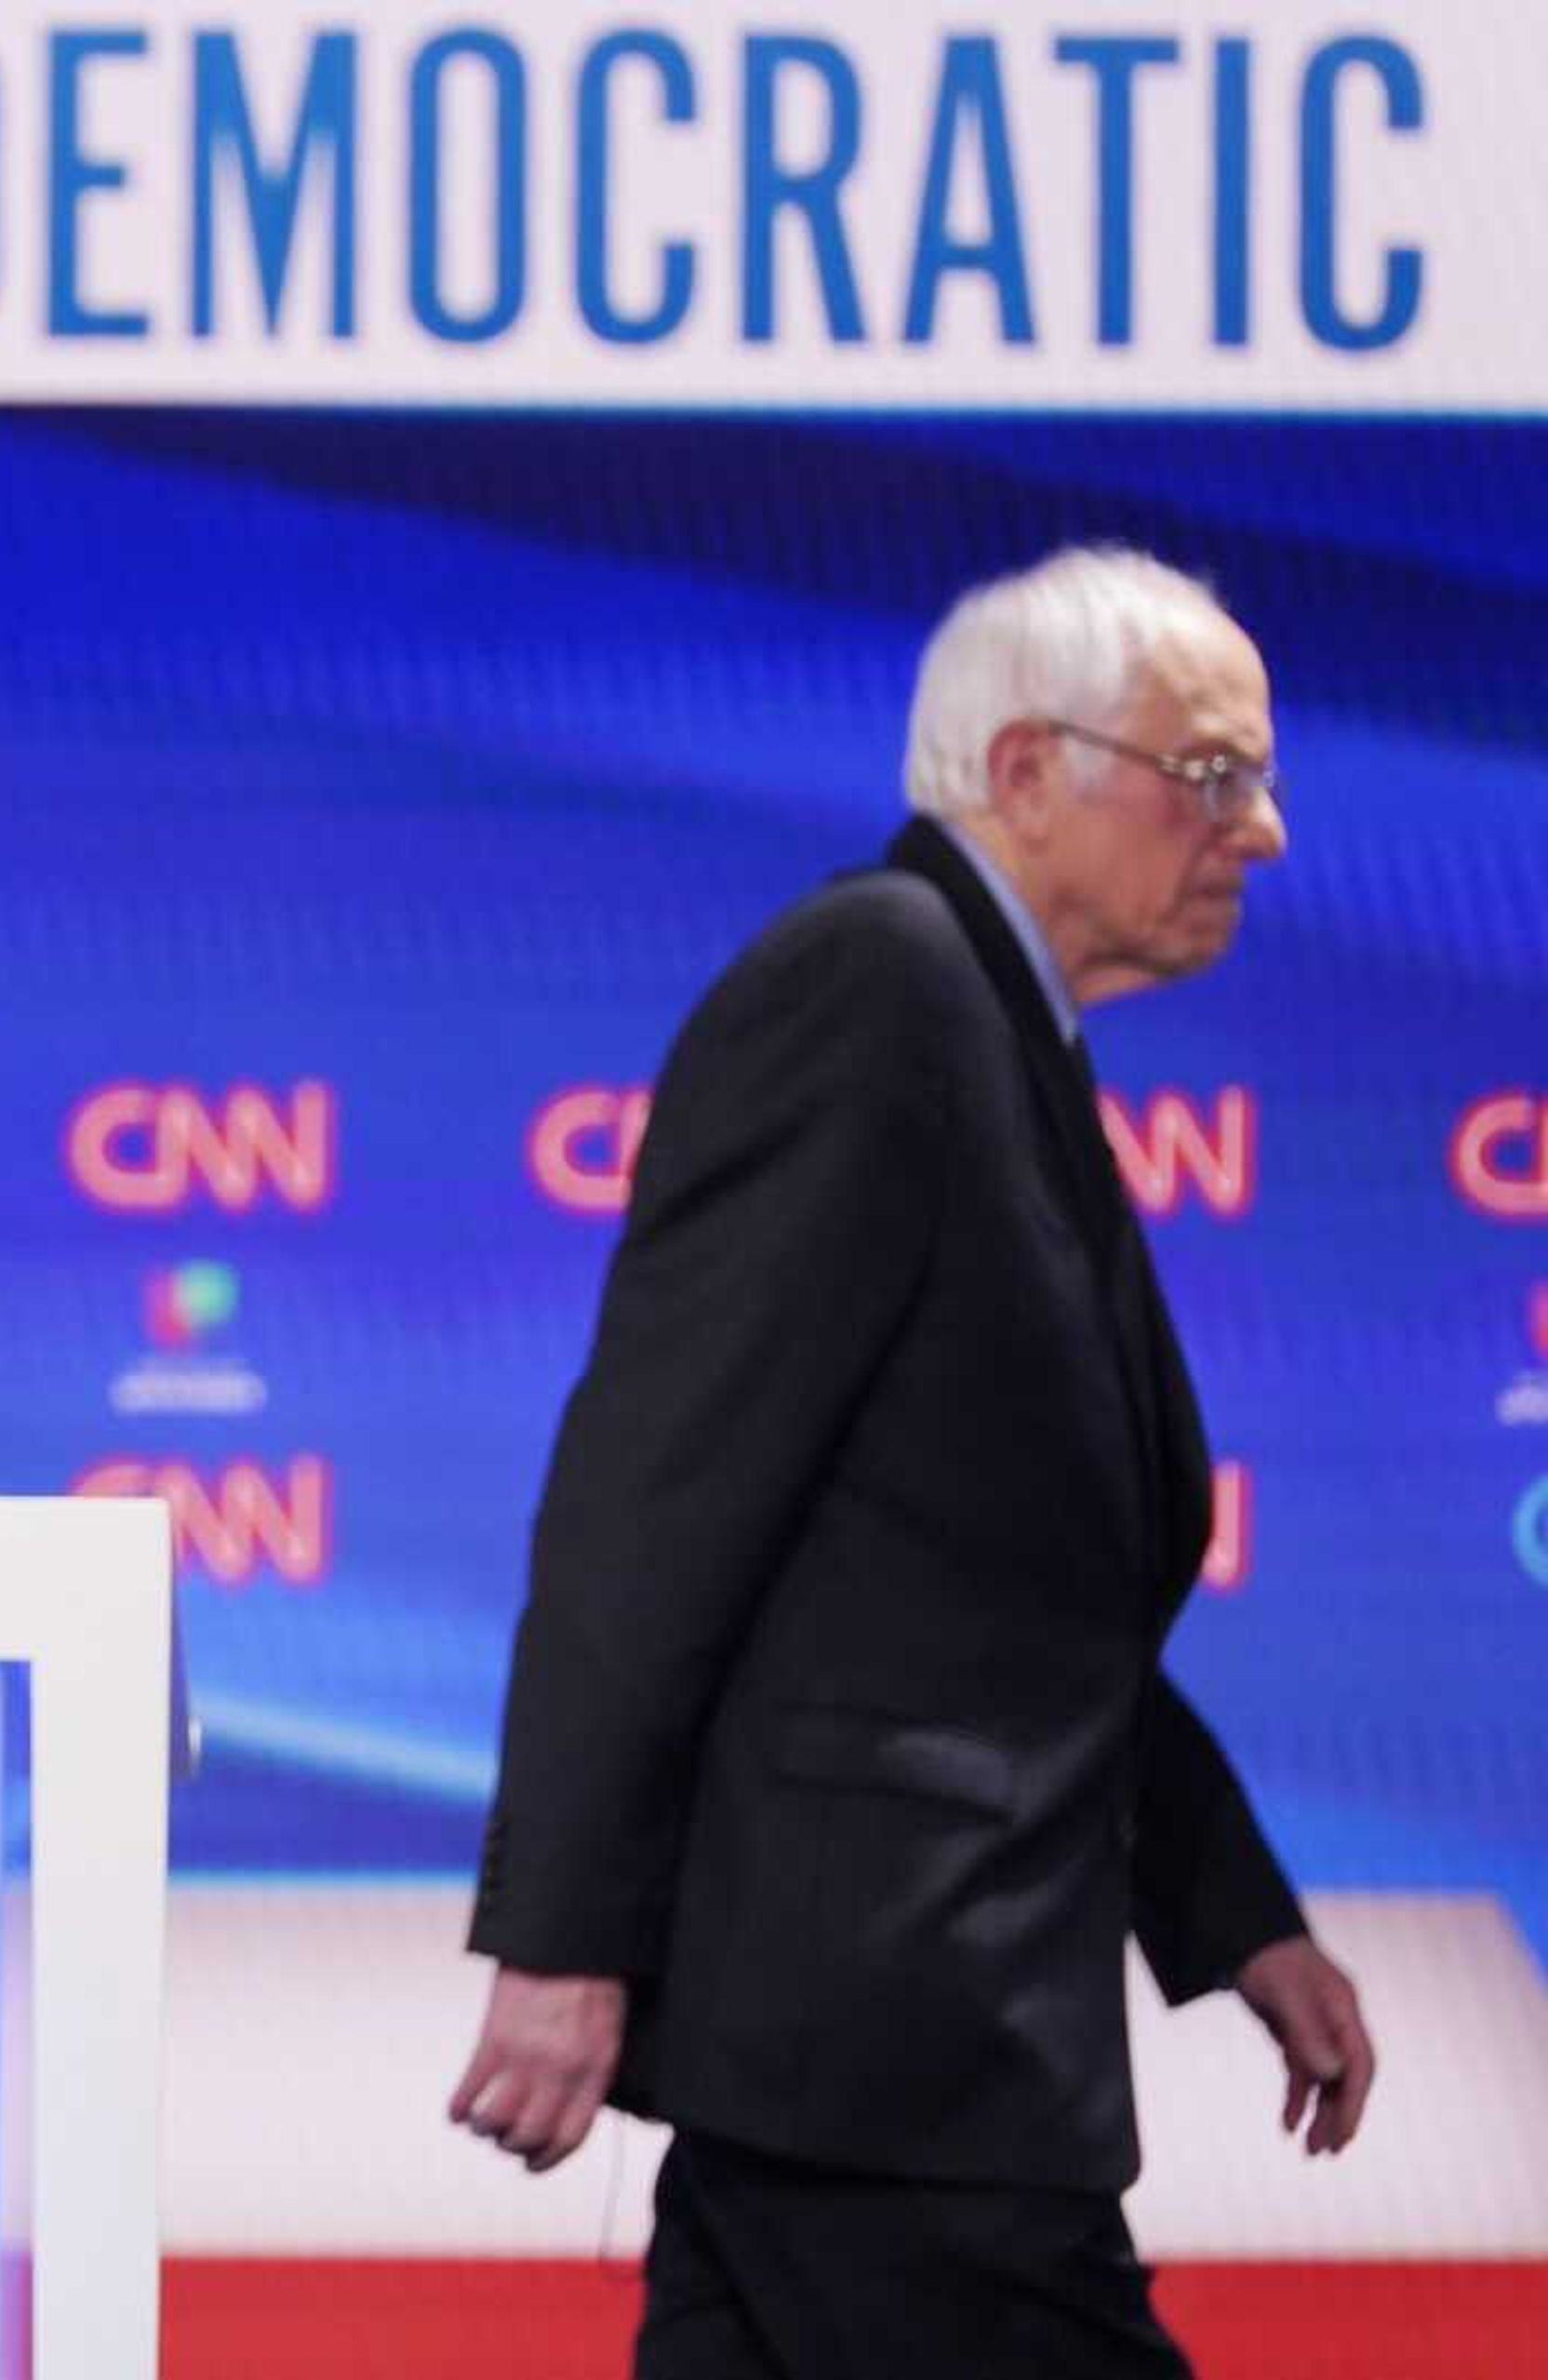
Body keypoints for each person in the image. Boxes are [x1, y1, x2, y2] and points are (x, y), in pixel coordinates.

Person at [448, 548, 1377, 2377]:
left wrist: (1234, 1910)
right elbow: (658, 1490)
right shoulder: (878, 990)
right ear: (1024, 770)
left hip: (880, 2055)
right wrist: (561, 1935)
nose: (1257, 832)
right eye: (1211, 775)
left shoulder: (1005, 1031)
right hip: (892, 2043)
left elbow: (1004, 1596)